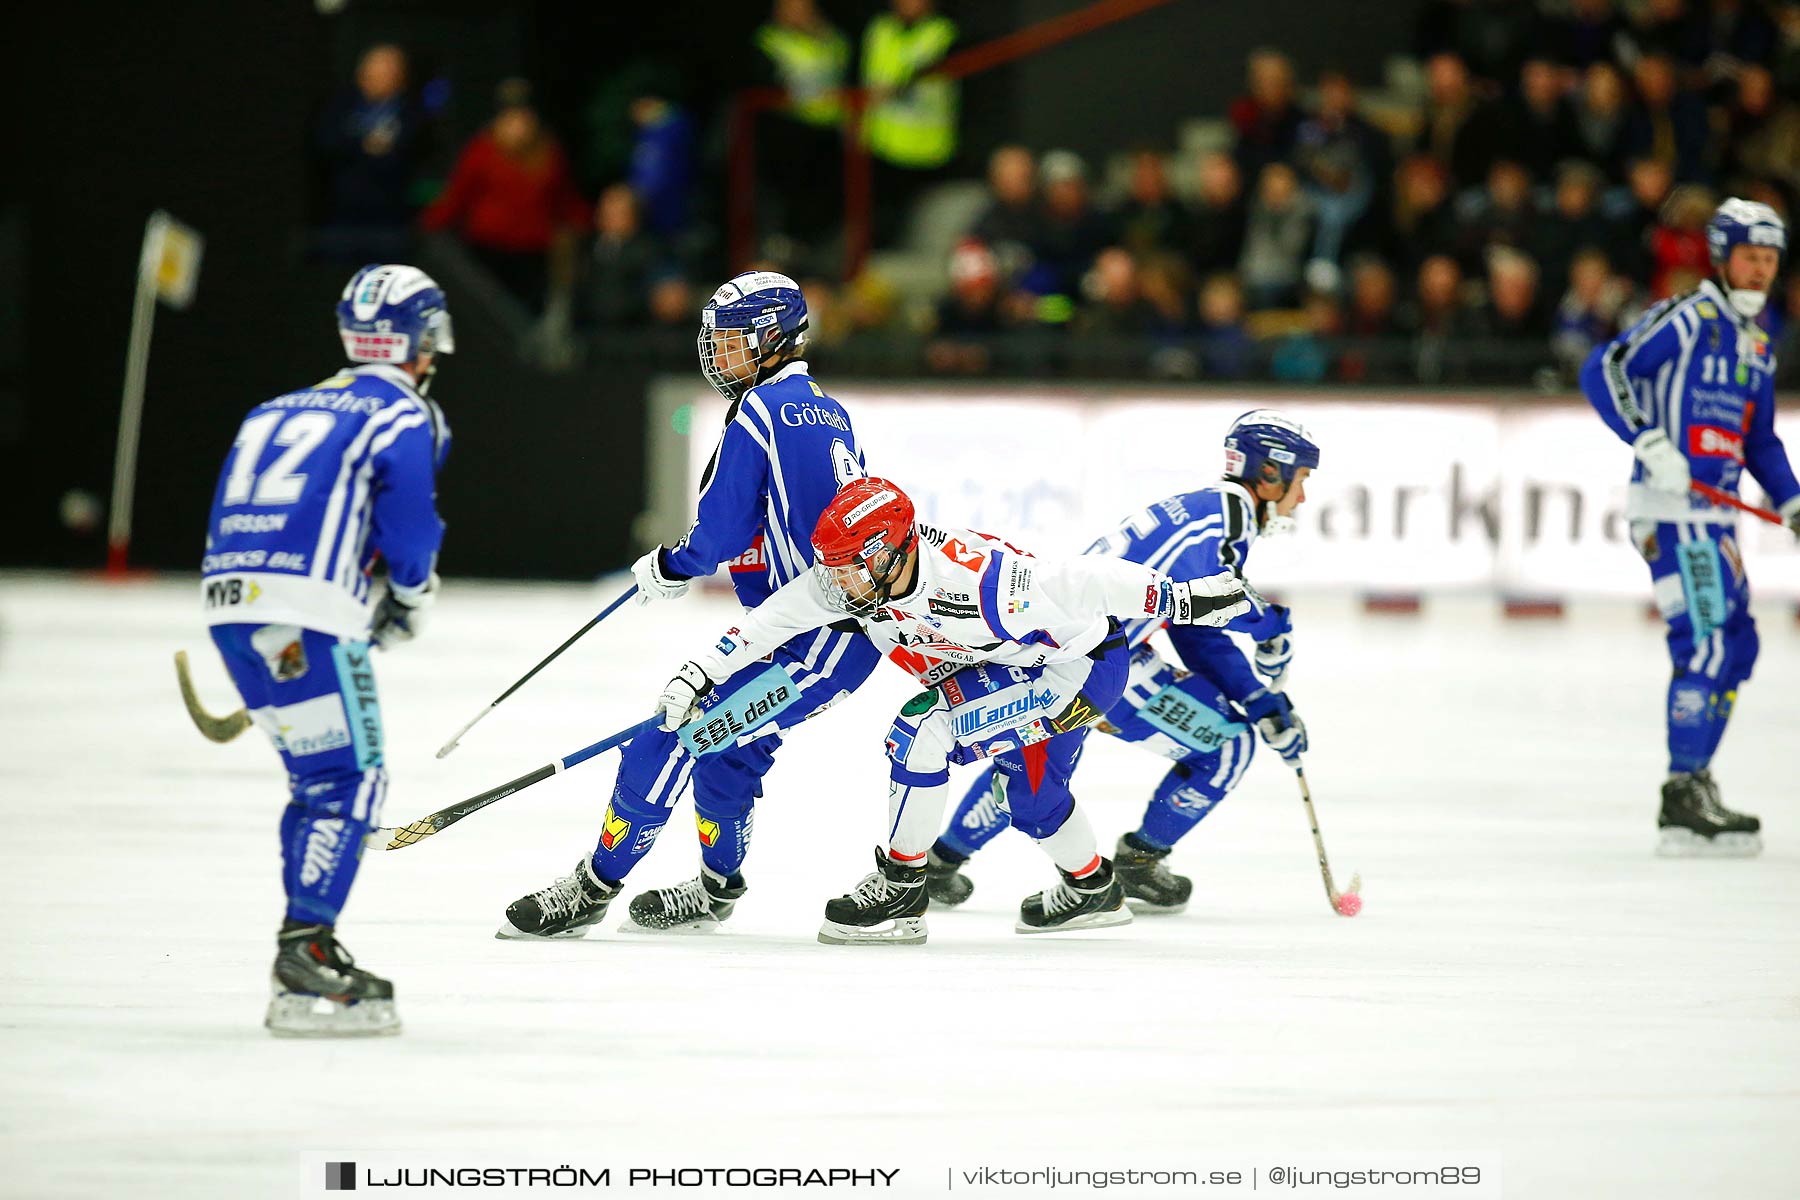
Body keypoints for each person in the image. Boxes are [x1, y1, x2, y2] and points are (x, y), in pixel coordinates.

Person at [650, 478, 1253, 944]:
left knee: (920, 730)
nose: (834, 584)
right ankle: (1093, 888)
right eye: (829, 566)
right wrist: (695, 674)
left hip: (1077, 674)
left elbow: (1081, 579)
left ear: (889, 555)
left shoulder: (983, 580)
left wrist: (1181, 598)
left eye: (847, 567)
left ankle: (900, 885)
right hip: (1029, 668)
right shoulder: (855, 578)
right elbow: (764, 626)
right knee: (1034, 800)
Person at [498, 272, 883, 939]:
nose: (718, 356)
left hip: (815, 642)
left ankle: (591, 889)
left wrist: (672, 564)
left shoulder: (763, 410)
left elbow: (725, 533)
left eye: (734, 342)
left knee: (672, 735)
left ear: (776, 340)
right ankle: (715, 891)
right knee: (727, 754)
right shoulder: (823, 406)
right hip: (823, 636)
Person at [924, 413, 1318, 912]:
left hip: (1067, 645)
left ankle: (941, 863)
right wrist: (1272, 628)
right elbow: (1228, 599)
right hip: (1104, 660)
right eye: (1300, 481)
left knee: (1033, 756)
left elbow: (1196, 626)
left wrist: (1259, 697)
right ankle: (1139, 864)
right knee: (1228, 746)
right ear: (1270, 474)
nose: (1301, 498)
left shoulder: (1207, 510)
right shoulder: (1228, 518)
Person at [202, 265, 454, 1036]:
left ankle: (303, 942)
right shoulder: (405, 415)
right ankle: (305, 951)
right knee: (352, 778)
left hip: (231, 607)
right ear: (419, 339)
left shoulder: (274, 407)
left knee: (318, 777)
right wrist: (408, 598)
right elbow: (409, 528)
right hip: (308, 616)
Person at [1580, 199, 1799, 856]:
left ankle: (1695, 780)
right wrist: (1647, 440)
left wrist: (1790, 500)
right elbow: (1605, 367)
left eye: (1770, 260)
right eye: (1750, 258)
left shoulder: (1758, 342)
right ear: (1722, 257)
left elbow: (1758, 439)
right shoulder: (1687, 318)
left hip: (1718, 518)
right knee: (1704, 644)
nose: (1760, 271)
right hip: (1674, 515)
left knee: (1737, 645)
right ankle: (1682, 793)